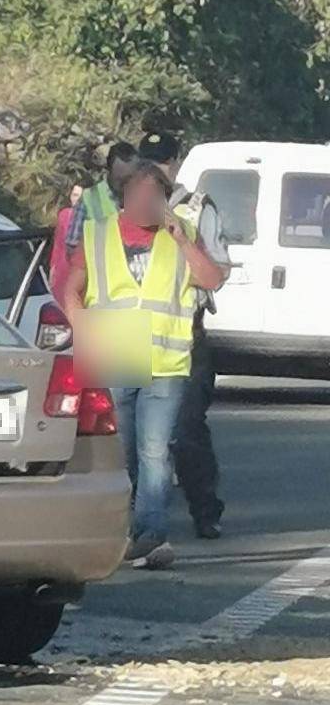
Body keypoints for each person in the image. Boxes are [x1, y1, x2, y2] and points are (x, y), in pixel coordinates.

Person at [58, 159, 227, 569]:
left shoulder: (180, 234)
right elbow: (70, 289)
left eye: (156, 197)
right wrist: (83, 326)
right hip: (114, 346)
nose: (147, 204)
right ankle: (125, 529)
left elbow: (212, 280)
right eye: (140, 196)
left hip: (165, 359)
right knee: (120, 450)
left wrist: (183, 241)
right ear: (125, 198)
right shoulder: (98, 235)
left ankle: (151, 533)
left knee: (155, 450)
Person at [141, 130, 230, 539]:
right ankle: (138, 521)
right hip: (133, 335)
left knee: (187, 428)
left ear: (175, 164)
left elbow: (217, 272)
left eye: (162, 161)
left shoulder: (196, 208)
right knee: (135, 436)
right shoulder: (120, 208)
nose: (156, 169)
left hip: (184, 334)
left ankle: (205, 510)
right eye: (149, 160)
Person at [51, 141, 138, 299]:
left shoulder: (145, 197)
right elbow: (72, 246)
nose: (126, 185)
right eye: (121, 179)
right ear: (109, 173)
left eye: (130, 178)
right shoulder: (90, 199)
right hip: (101, 292)